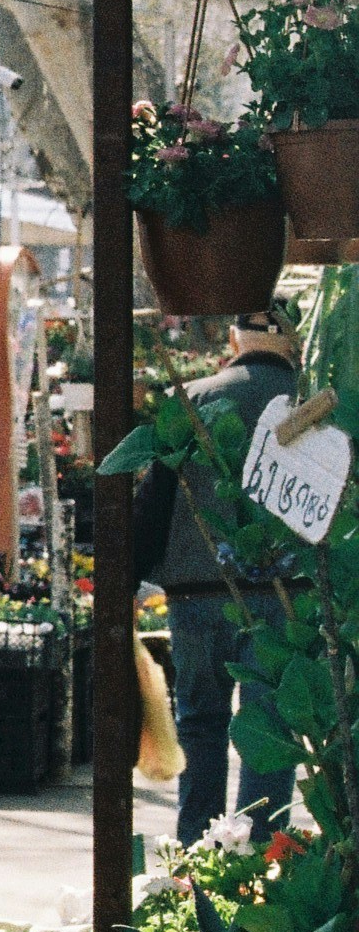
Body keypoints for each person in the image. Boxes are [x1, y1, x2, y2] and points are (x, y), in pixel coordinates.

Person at [134, 307, 300, 842]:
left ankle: (195, 853)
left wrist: (131, 578)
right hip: (284, 596)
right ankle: (257, 855)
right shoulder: (315, 403)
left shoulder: (194, 399)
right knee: (270, 730)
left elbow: (154, 500)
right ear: (292, 342)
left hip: (197, 593)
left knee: (200, 724)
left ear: (233, 338)